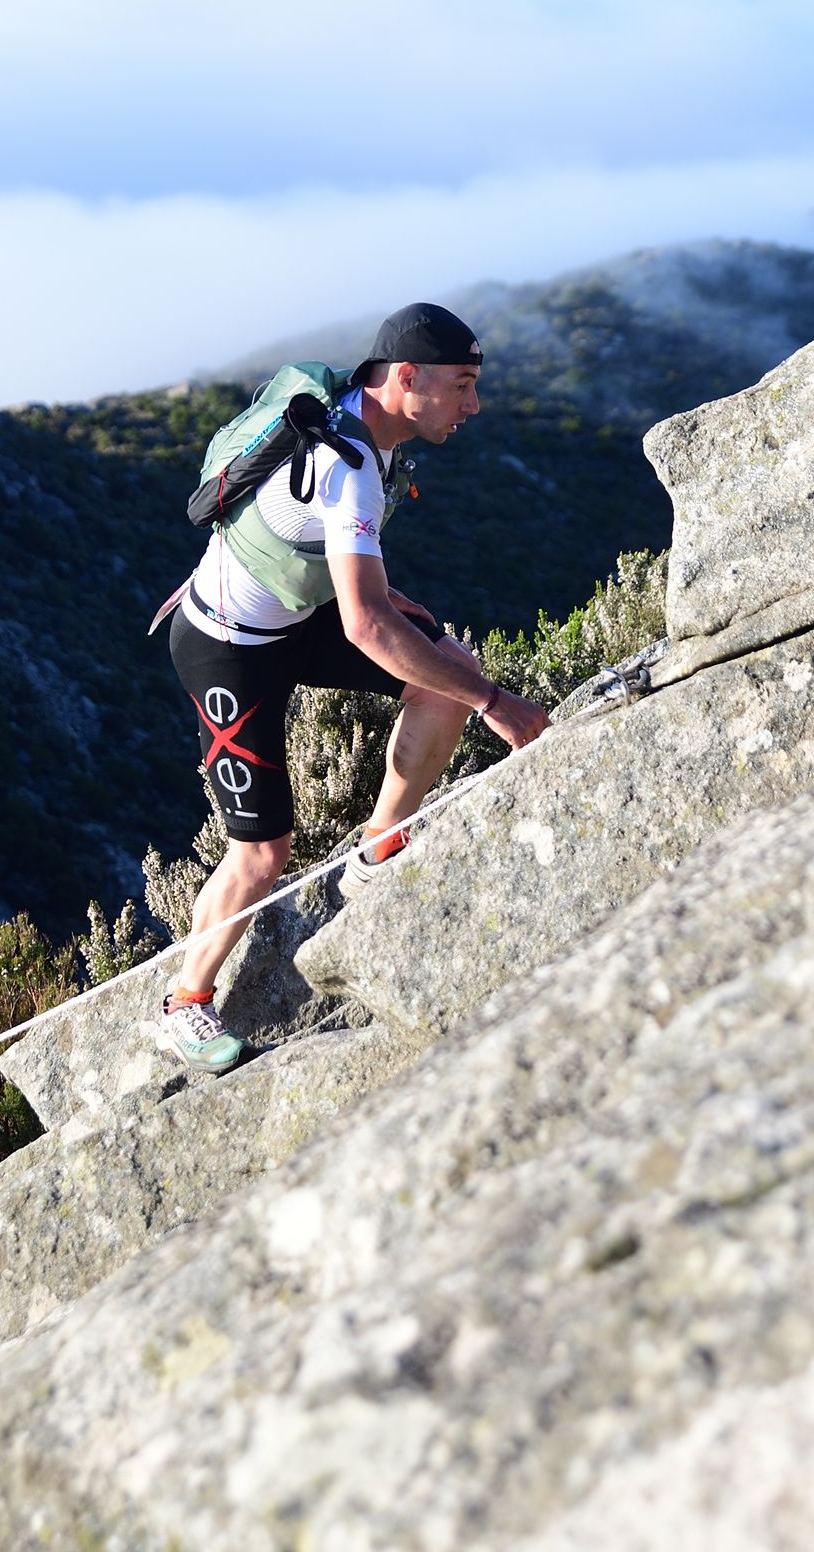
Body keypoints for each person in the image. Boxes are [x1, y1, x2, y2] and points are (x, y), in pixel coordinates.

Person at [156, 302, 550, 1074]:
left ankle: (379, 845)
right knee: (262, 854)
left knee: (445, 677)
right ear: (406, 378)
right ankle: (184, 1005)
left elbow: (349, 576)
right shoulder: (348, 461)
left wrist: (452, 668)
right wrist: (497, 705)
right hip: (226, 646)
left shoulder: (358, 420)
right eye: (461, 386)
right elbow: (366, 626)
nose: (473, 405)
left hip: (299, 614)